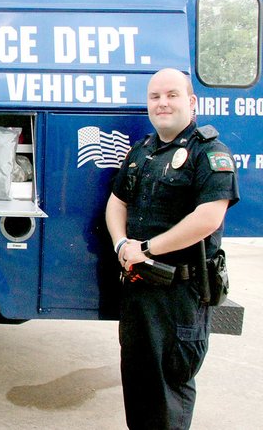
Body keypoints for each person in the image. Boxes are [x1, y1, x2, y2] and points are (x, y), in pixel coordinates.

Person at [105, 67, 239, 429]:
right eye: (154, 97)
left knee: (169, 396)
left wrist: (146, 248)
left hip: (180, 296)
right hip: (138, 291)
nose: (162, 103)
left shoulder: (209, 153)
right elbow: (117, 202)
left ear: (191, 102)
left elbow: (208, 218)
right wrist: (121, 243)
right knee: (138, 387)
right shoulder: (142, 152)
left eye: (171, 95)